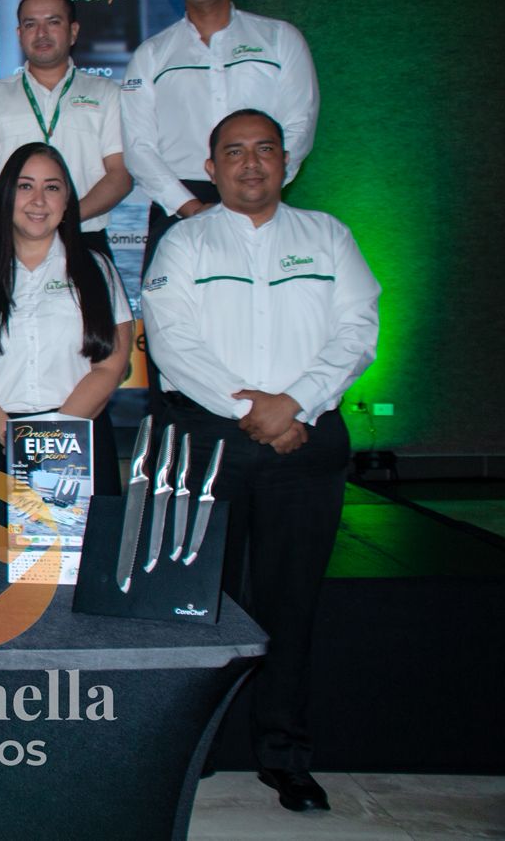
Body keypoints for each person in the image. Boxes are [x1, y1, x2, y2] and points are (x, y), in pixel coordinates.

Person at [142, 109, 378, 813]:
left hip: (306, 442)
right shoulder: (185, 242)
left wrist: (296, 404)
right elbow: (171, 339)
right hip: (210, 442)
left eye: (264, 149)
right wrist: (255, 411)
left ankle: (285, 756)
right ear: (210, 168)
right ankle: (196, 750)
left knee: (290, 605)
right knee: (198, 605)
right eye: (234, 152)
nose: (251, 163)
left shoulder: (328, 236)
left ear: (286, 161)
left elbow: (358, 330)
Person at [0, 143, 133, 494]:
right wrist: (17, 442)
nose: (39, 200)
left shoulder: (98, 269)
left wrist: (53, 439)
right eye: (25, 186)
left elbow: (110, 366)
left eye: (52, 187)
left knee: (88, 534)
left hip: (79, 440)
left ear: (67, 200)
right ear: (5, 196)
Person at [122, 0, 318, 261]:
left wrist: (256, 191)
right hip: (181, 205)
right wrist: (191, 208)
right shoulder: (151, 54)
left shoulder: (279, 39)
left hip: (260, 196)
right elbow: (138, 147)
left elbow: (300, 124)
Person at [0, 0, 131, 258]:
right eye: (31, 24)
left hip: (84, 235)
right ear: (19, 34)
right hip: (10, 240)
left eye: (53, 22)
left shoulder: (107, 93)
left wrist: (65, 218)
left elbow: (120, 174)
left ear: (73, 31)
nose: (41, 33)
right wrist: (22, 221)